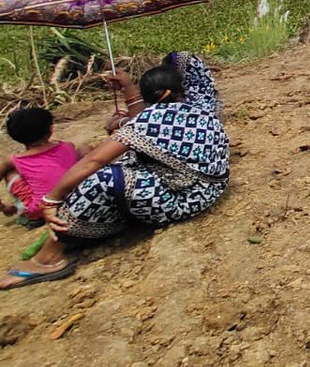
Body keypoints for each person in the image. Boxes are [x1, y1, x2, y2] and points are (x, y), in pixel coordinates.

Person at [1, 53, 229, 289]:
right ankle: (83, 227)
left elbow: (94, 161)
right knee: (121, 163)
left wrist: (51, 199)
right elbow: (141, 122)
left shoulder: (148, 121)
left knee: (100, 177)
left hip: (187, 199)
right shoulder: (200, 110)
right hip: (207, 189)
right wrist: (127, 92)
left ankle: (49, 258)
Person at [2, 108, 87, 225]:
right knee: (83, 149)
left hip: (41, 209)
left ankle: (25, 213)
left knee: (10, 173)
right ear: (51, 130)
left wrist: (3, 207)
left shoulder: (15, 159)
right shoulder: (67, 146)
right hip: (76, 198)